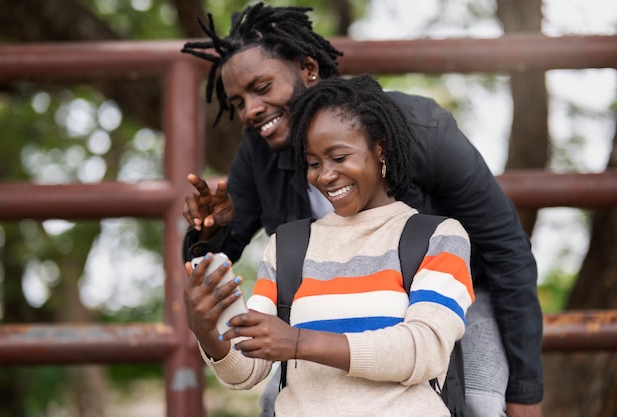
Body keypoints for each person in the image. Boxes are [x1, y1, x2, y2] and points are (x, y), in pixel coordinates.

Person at [180, 3, 544, 417]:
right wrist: (208, 234)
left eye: (262, 88)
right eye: (238, 102)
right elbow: (220, 266)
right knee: (273, 402)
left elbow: (507, 251)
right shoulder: (258, 154)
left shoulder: (422, 131)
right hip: (326, 306)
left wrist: (526, 393)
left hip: (442, 297)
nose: (251, 110)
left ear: (308, 67)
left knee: (479, 402)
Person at [183, 74, 475, 417]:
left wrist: (298, 342)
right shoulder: (287, 246)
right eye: (313, 163)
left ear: (380, 147)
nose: (325, 176)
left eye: (339, 157)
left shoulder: (437, 237)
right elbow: (248, 369)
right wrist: (208, 335)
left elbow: (424, 351)